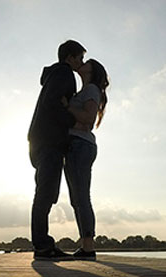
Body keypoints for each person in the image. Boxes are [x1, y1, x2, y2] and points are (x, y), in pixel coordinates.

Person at [28, 40, 86, 260]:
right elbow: (54, 104)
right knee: (45, 194)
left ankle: (42, 244)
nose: (81, 63)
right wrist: (72, 118)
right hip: (49, 141)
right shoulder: (64, 74)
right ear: (69, 57)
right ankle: (42, 246)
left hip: (40, 140)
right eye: (79, 58)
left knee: (46, 193)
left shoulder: (54, 75)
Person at [63, 59, 109, 261]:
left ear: (92, 70)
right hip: (76, 146)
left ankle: (88, 246)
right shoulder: (85, 91)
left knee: (81, 197)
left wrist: (68, 107)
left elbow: (89, 120)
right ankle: (85, 245)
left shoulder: (90, 89)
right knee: (76, 199)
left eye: (87, 62)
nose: (82, 63)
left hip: (81, 146)